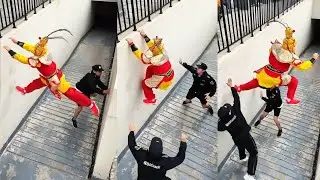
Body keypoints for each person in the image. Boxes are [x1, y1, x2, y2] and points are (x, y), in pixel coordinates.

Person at [2, 30, 99, 116]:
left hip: (56, 80)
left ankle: (90, 104)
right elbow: (29, 47)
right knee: (37, 83)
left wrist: (9, 50)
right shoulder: (43, 51)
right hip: (47, 78)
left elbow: (22, 58)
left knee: (71, 94)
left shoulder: (39, 60)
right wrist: (16, 41)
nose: (34, 49)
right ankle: (25, 90)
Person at [234, 22, 319, 105]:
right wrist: (313, 59)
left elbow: (271, 50)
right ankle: (290, 98)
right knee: (294, 81)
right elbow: (302, 66)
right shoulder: (292, 58)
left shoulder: (275, 49)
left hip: (264, 72)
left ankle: (239, 88)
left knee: (256, 81)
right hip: (274, 79)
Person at [217, 78, 258, 180]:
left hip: (236, 138)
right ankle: (249, 174)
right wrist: (231, 86)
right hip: (245, 136)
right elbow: (236, 98)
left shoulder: (222, 123)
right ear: (230, 111)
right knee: (254, 153)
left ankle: (242, 157)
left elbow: (220, 128)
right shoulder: (236, 111)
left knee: (240, 145)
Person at [126, 30, 174, 104]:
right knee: (150, 68)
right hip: (169, 74)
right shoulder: (162, 49)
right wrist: (145, 35)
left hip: (162, 80)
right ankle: (149, 80)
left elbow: (142, 57)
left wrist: (131, 44)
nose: (151, 47)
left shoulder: (155, 59)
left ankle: (151, 98)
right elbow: (153, 45)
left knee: (144, 84)